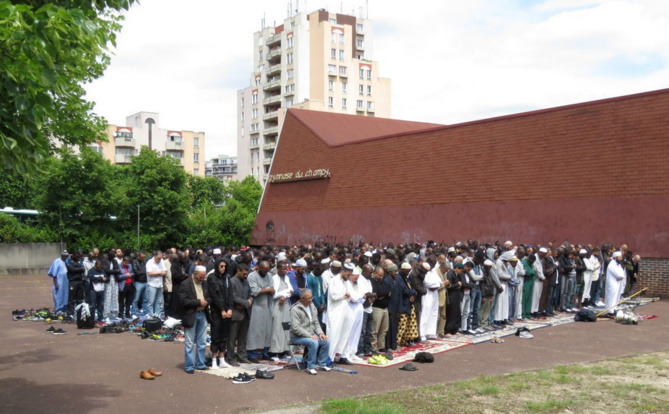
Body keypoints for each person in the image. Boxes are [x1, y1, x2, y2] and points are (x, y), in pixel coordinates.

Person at [290, 288, 331, 375]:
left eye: (311, 297)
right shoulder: (295, 309)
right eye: (307, 298)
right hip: (297, 337)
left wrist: (321, 333)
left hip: (310, 335)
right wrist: (309, 335)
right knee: (314, 342)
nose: (310, 300)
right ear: (301, 298)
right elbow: (295, 328)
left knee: (326, 341)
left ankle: (321, 364)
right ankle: (310, 366)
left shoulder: (312, 306)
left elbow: (316, 323)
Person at [180, 265, 211, 374]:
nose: (202, 279)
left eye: (203, 277)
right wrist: (199, 302)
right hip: (191, 314)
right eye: (200, 277)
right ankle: (189, 366)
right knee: (189, 342)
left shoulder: (205, 283)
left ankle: (200, 364)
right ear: (194, 274)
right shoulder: (185, 284)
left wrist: (207, 301)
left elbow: (210, 296)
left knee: (202, 341)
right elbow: (184, 301)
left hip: (203, 314)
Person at [207, 258, 233, 369]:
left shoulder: (227, 278)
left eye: (224, 266)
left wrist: (230, 308)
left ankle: (222, 359)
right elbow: (213, 295)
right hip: (216, 311)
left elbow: (231, 294)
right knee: (215, 335)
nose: (223, 268)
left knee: (224, 336)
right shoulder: (211, 278)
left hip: (227, 311)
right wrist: (222, 309)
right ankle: (214, 360)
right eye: (221, 266)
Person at [247, 261, 274, 361]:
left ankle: (265, 352)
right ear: (258, 267)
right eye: (264, 270)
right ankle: (251, 354)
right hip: (256, 306)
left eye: (267, 271)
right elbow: (254, 291)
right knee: (254, 330)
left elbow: (272, 290)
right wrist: (267, 290)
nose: (265, 272)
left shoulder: (269, 276)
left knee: (267, 330)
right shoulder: (252, 276)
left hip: (267, 306)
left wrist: (263, 289)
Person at [327, 262, 354, 364]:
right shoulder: (334, 280)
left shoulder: (345, 281)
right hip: (335, 311)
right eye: (348, 274)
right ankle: (330, 358)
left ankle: (343, 355)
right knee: (334, 334)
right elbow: (334, 296)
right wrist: (344, 294)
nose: (349, 277)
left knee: (346, 332)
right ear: (343, 271)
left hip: (345, 309)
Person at [228, 263, 252, 365]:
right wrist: (246, 303)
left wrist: (249, 301)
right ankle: (230, 358)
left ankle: (242, 356)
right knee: (232, 338)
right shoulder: (232, 281)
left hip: (245, 312)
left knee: (243, 337)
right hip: (236, 313)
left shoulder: (246, 282)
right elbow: (233, 297)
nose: (245, 276)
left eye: (246, 274)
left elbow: (251, 294)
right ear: (238, 271)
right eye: (244, 274)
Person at [270, 262, 293, 358]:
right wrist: (285, 293)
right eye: (283, 269)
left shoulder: (287, 278)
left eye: (286, 269)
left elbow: (291, 291)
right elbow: (274, 294)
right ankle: (274, 352)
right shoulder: (274, 278)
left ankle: (284, 350)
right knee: (276, 328)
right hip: (277, 305)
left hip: (286, 304)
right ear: (278, 269)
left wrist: (284, 295)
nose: (285, 271)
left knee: (286, 327)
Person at [370, 264, 390, 353]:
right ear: (374, 273)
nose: (381, 277)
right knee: (375, 329)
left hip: (385, 307)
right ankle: (373, 347)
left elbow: (388, 291)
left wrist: (383, 294)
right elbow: (376, 293)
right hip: (376, 307)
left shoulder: (383, 281)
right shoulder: (371, 281)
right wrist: (383, 294)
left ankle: (381, 346)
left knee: (384, 329)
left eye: (382, 275)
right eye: (379, 275)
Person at [421, 261, 442, 339]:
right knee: (425, 312)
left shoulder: (434, 271)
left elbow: (440, 282)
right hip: (427, 294)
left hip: (435, 293)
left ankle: (431, 332)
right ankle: (422, 333)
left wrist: (436, 285)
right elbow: (426, 283)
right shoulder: (425, 271)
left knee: (434, 312)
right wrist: (435, 285)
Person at [145, 251, 167, 318]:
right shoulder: (149, 262)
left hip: (160, 284)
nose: (159, 260)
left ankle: (157, 315)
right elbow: (149, 273)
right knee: (151, 301)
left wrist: (157, 273)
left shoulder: (162, 261)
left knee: (158, 302)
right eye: (158, 258)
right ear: (155, 256)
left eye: (160, 258)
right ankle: (151, 315)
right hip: (152, 284)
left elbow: (165, 272)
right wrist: (160, 273)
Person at [604, 251, 626, 317]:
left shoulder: (618, 265)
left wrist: (621, 276)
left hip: (617, 283)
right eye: (620, 257)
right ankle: (610, 311)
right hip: (612, 283)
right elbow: (618, 274)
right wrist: (621, 276)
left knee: (616, 296)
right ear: (615, 258)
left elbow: (622, 273)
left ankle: (614, 309)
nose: (621, 259)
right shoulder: (612, 265)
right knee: (611, 297)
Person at [66, 250, 86, 316]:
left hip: (80, 281)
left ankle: (79, 313)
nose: (78, 258)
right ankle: (70, 313)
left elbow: (83, 268)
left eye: (79, 257)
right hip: (73, 281)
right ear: (74, 255)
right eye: (77, 257)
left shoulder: (80, 260)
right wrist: (80, 268)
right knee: (71, 298)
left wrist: (78, 268)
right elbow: (71, 269)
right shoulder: (68, 260)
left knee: (80, 298)